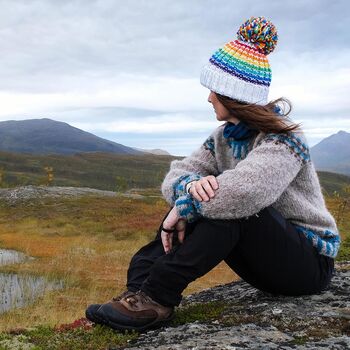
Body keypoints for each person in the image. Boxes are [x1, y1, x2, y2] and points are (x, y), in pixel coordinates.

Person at [85, 16, 341, 333]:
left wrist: (186, 205)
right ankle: (139, 294)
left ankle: (157, 297)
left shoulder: (284, 139)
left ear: (232, 94)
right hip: (267, 262)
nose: (209, 98)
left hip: (308, 265)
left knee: (229, 208)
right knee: (201, 195)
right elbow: (178, 173)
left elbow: (248, 192)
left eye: (214, 91)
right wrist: (189, 189)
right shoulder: (223, 137)